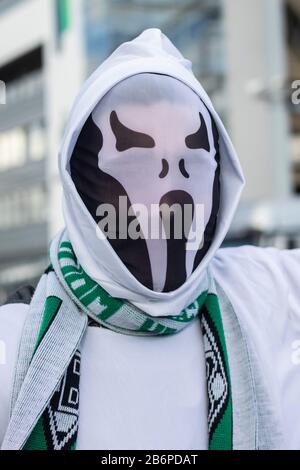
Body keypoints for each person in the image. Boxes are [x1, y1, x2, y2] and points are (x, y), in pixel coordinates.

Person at [0, 29, 300, 451]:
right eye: (137, 160)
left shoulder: (270, 296)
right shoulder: (15, 348)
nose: (170, 185)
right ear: (79, 179)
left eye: (193, 160)